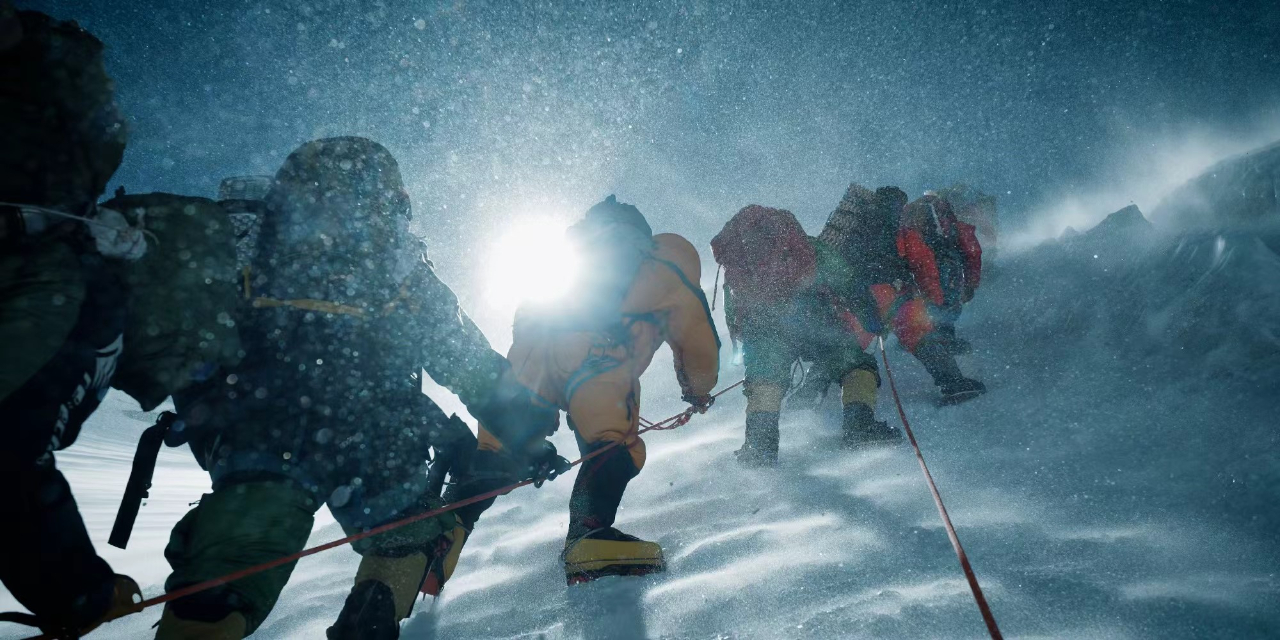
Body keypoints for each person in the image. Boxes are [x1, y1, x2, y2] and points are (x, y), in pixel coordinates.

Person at [152, 137, 562, 640]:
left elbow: (177, 338)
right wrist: (531, 437)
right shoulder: (397, 264)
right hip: (374, 434)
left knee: (224, 577)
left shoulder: (244, 247)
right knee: (407, 539)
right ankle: (369, 622)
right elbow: (467, 362)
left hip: (257, 431)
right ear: (389, 196)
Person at [437, 195, 720, 587]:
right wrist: (698, 389)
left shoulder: (572, 255)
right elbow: (696, 335)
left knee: (497, 451)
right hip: (599, 356)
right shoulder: (662, 263)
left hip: (529, 360)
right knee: (611, 442)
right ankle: (589, 537)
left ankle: (438, 540)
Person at [0, 5, 143, 636]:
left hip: (50, 270)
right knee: (13, 445)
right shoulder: (64, 81)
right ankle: (81, 595)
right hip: (53, 272)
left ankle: (79, 593)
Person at [712, 203, 900, 468]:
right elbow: (847, 282)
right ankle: (859, 427)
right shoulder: (809, 248)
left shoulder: (738, 264)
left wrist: (748, 342)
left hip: (762, 326)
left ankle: (760, 448)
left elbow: (733, 313)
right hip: (812, 316)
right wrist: (871, 318)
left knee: (766, 381)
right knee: (855, 364)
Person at [827, 185, 985, 405]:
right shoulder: (902, 229)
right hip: (893, 293)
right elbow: (923, 264)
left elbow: (834, 267)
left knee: (849, 346)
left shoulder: (854, 230)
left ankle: (814, 395)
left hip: (855, 297)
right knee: (921, 337)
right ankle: (952, 384)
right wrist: (935, 299)